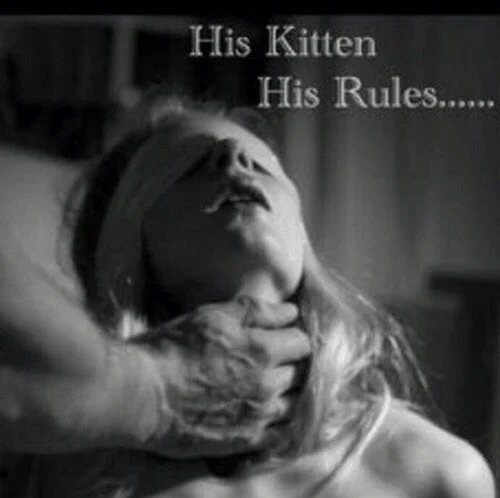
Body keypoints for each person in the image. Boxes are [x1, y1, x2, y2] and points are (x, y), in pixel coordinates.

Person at [2, 90, 496, 497]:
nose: (234, 158)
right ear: (123, 244)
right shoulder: (50, 465)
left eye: (263, 164)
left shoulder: (441, 475)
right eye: (188, 166)